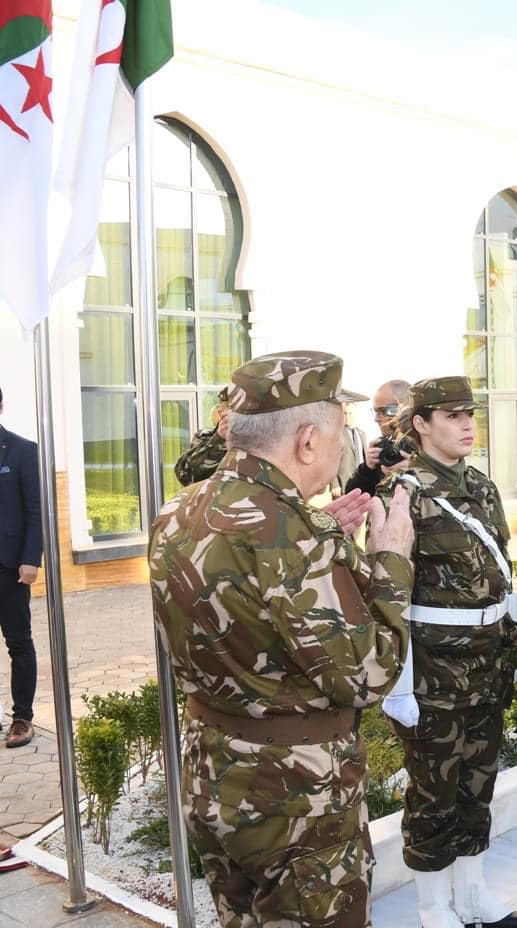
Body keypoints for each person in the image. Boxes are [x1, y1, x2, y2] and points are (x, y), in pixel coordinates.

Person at [148, 351, 414, 927]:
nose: (344, 444)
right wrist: (391, 558)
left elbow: (241, 597)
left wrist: (320, 536)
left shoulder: (178, 510)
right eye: (341, 430)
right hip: (296, 794)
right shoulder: (289, 536)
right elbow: (369, 674)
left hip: (213, 772)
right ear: (309, 441)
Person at [377, 376, 517, 928]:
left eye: (470, 414)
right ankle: (432, 907)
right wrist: (399, 686)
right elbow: (388, 595)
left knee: (476, 784)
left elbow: (501, 578)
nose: (467, 424)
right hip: (435, 675)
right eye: (451, 415)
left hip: (487, 667)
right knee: (433, 792)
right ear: (420, 424)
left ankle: (472, 896)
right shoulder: (401, 493)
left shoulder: (483, 488)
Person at [0, 386, 41, 750]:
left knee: (18, 643)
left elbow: (34, 510)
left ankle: (22, 718)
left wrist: (31, 558)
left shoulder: (22, 450)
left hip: (9, 567)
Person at [345, 379, 413, 498]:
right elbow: (353, 496)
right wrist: (367, 469)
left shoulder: (432, 447)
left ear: (405, 407)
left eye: (383, 411)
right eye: (375, 411)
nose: (376, 419)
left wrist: (417, 472)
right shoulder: (383, 448)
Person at [173, 387, 230, 487]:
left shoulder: (259, 438)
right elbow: (186, 474)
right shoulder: (205, 437)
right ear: (221, 414)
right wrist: (219, 439)